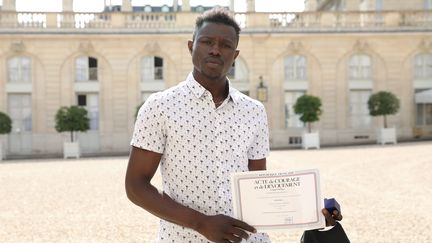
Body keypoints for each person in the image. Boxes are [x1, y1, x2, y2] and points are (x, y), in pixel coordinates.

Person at [125, 8, 342, 243]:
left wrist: (312, 211)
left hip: (248, 239)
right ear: (191, 47)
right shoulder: (159, 106)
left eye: (225, 45)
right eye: (207, 42)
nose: (216, 50)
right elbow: (136, 186)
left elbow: (259, 184)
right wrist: (202, 223)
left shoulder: (254, 111)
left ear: (235, 55)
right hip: (183, 238)